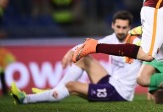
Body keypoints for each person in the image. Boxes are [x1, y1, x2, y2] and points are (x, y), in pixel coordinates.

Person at [10, 10, 142, 104]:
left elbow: (151, 61)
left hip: (119, 93)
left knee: (71, 86)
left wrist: (154, 87)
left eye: (124, 28)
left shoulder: (136, 43)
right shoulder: (111, 39)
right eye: (118, 27)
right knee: (83, 58)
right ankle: (55, 92)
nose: (120, 31)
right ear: (112, 25)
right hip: (111, 82)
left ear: (129, 27)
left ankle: (26, 99)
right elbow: (88, 45)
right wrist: (70, 51)